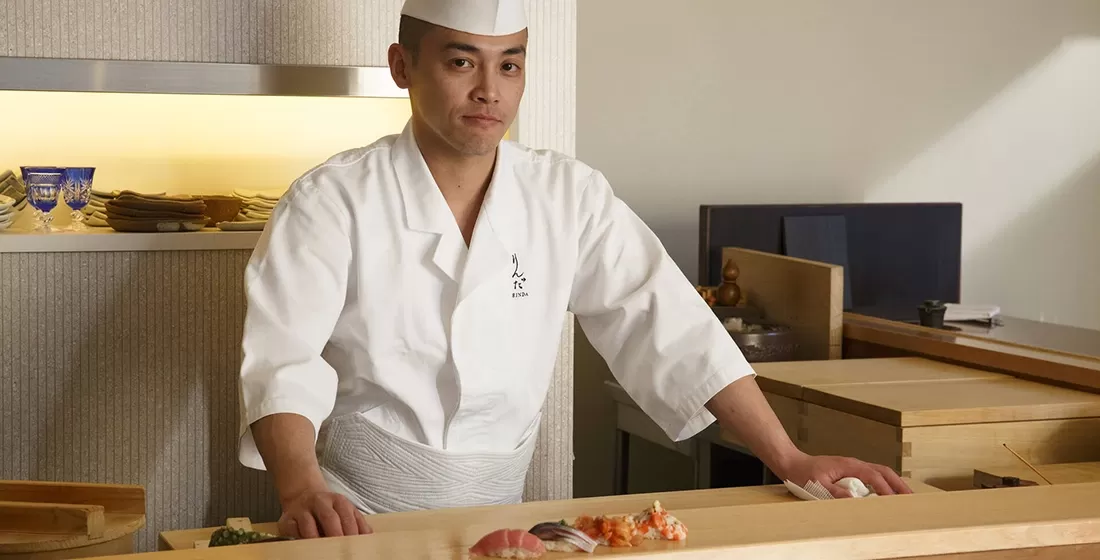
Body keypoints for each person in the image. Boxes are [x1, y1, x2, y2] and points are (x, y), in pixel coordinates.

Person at [236, 0, 912, 541]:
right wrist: (302, 490)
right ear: (402, 66)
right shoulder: (331, 200)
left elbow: (668, 324)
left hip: (502, 524)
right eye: (461, 62)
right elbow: (283, 359)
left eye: (509, 67)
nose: (488, 92)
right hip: (353, 518)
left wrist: (789, 458)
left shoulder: (568, 196)